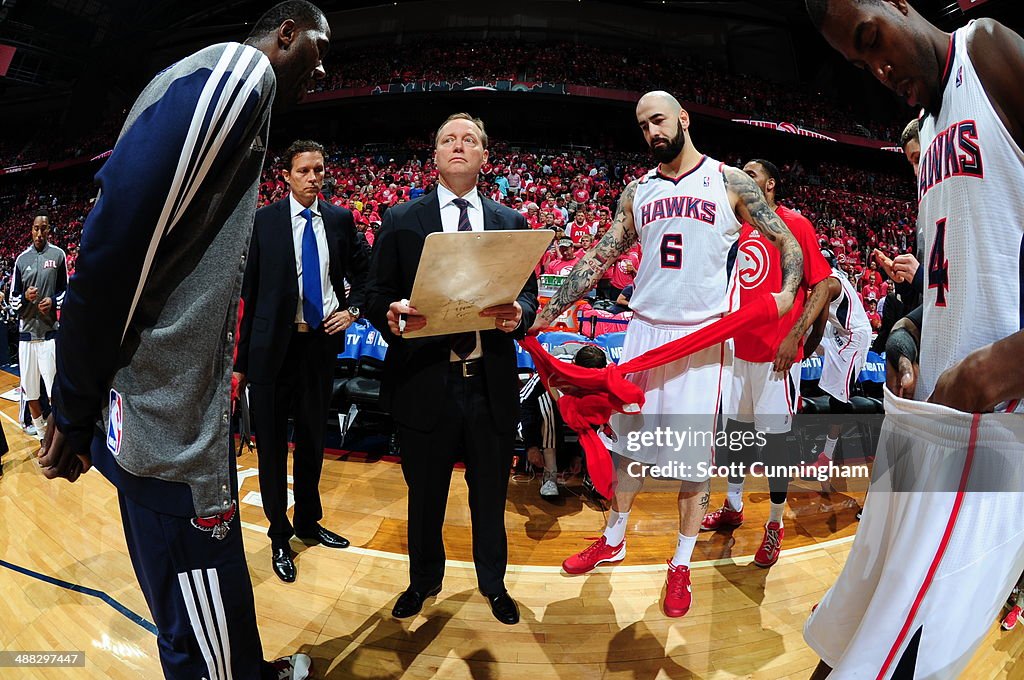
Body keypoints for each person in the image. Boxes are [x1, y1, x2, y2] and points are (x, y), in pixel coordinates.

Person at [37, 3, 332, 678]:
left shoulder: (214, 90)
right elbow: (112, 249)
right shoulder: (240, 74)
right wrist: (74, 406)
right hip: (169, 429)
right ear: (286, 33)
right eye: (318, 49)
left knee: (201, 607)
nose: (324, 69)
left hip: (165, 409)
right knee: (201, 637)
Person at [803, 2, 1024, 677]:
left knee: (900, 652)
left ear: (900, 3)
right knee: (859, 625)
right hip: (932, 417)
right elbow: (955, 278)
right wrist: (903, 337)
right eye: (859, 62)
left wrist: (1012, 362)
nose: (880, 67)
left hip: (992, 426)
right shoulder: (930, 128)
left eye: (874, 39)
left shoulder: (984, 49)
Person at [531, 91, 804, 618]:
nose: (652, 132)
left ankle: (679, 564)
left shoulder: (730, 181)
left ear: (682, 118)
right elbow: (600, 254)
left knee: (693, 460)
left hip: (701, 339)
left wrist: (789, 290)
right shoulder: (637, 191)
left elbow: (787, 240)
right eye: (642, 126)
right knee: (628, 449)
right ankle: (613, 538)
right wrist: (549, 310)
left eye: (658, 120)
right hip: (645, 332)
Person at [365, 112, 538, 625]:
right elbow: (375, 294)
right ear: (435, 155)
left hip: (489, 384)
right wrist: (389, 313)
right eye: (448, 139)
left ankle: (493, 583)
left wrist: (521, 313)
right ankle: (423, 582)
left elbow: (527, 292)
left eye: (469, 140)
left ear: (485, 156)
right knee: (426, 498)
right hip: (425, 383)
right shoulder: (400, 219)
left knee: (491, 497)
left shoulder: (511, 222)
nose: (458, 146)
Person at [234, 139, 369, 583]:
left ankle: (309, 523)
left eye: (320, 168)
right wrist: (240, 364)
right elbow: (248, 298)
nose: (315, 177)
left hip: (318, 347)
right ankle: (278, 535)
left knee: (312, 440)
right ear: (287, 177)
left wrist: (352, 310)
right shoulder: (262, 223)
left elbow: (367, 274)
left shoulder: (340, 219)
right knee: (271, 448)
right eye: (305, 170)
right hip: (273, 351)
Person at [700, 159, 832, 568]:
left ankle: (775, 525)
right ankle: (733, 505)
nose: (742, 180)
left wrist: (799, 337)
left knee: (775, 446)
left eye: (751, 174)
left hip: (776, 357)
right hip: (738, 354)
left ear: (770, 184)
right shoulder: (736, 229)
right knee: (736, 439)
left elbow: (822, 284)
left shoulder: (795, 224)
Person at [802, 249, 872, 473]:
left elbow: (817, 332)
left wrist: (798, 358)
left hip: (854, 336)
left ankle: (827, 456)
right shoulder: (824, 280)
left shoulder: (830, 285)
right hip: (838, 330)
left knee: (838, 399)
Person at [10, 209, 67, 442]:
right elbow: (13, 300)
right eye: (36, 228)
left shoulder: (59, 255)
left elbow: (66, 292)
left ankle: (57, 438)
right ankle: (43, 435)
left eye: (44, 228)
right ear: (31, 229)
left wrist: (53, 302)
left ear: (49, 229)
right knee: (31, 392)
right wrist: (25, 298)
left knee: (54, 391)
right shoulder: (21, 260)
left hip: (49, 334)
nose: (39, 232)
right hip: (26, 336)